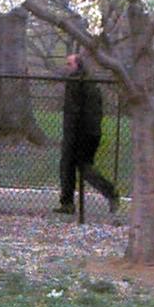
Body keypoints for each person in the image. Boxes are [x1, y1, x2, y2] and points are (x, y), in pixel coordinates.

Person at [56, 52, 120, 215]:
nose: (67, 67)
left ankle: (109, 192)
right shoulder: (91, 83)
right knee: (74, 166)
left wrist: (71, 135)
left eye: (69, 64)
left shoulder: (76, 82)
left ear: (78, 65)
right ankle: (67, 203)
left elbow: (74, 111)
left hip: (79, 133)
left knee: (76, 166)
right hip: (91, 132)